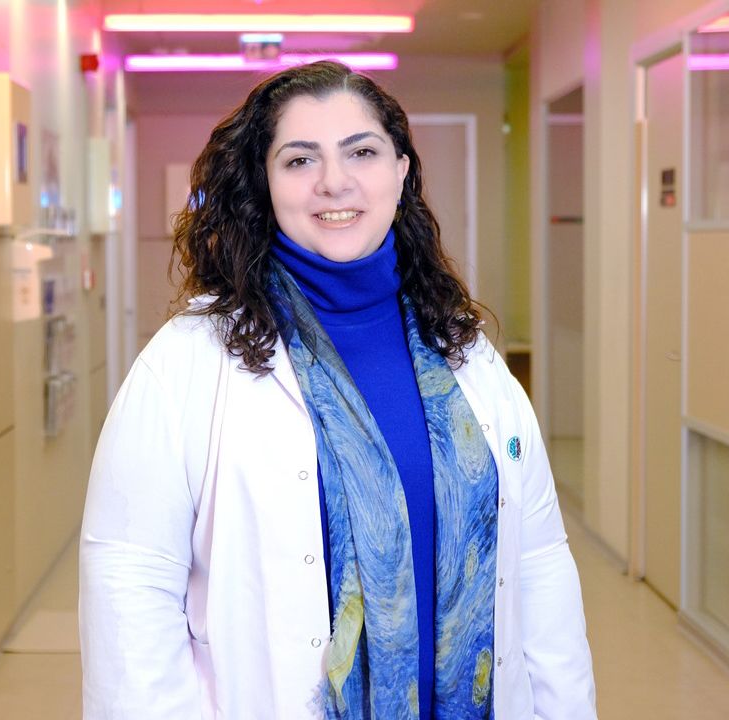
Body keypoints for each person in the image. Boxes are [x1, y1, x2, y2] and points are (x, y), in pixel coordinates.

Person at [79, 60, 596, 719]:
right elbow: (129, 588)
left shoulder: (466, 357)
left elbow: (539, 564)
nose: (334, 181)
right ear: (264, 182)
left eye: (362, 152)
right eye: (299, 160)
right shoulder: (185, 364)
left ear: (400, 171)